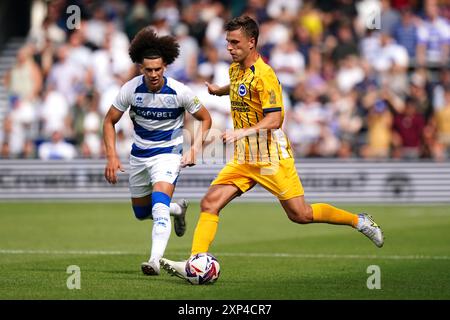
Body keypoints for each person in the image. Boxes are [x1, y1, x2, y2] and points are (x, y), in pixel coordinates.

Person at [160, 16, 384, 282]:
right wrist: (220, 91)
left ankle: (358, 221)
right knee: (210, 203)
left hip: (271, 156)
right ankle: (195, 263)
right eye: (227, 42)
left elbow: (276, 119)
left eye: (235, 42)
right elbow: (240, 88)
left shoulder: (266, 75)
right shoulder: (235, 69)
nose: (229, 48)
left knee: (301, 214)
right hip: (244, 156)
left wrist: (243, 131)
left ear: (252, 42)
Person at [103, 27, 212, 276]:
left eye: (158, 69)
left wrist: (195, 149)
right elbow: (109, 120)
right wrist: (111, 155)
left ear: (166, 67)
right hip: (139, 155)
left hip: (168, 153)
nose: (153, 74)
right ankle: (178, 210)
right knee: (142, 213)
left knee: (158, 204)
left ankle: (154, 260)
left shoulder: (180, 91)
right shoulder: (130, 89)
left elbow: (205, 119)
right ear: (141, 68)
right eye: (148, 69)